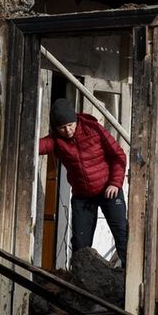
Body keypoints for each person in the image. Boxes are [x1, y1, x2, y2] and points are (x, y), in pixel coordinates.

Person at [39, 98, 129, 265]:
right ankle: (79, 282)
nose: (67, 130)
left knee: (122, 234)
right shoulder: (56, 140)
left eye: (70, 125)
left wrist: (115, 183)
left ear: (76, 120)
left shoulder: (94, 129)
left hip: (109, 189)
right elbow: (38, 146)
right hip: (83, 196)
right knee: (81, 244)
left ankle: (128, 278)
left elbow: (119, 156)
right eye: (62, 128)